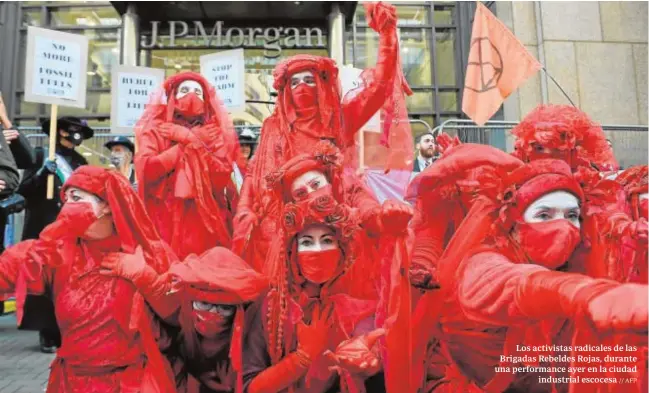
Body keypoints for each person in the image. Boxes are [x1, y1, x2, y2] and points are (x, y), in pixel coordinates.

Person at [411, 153, 647, 393]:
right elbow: (518, 285)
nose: (562, 226)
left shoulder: (577, 264)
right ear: (513, 222)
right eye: (544, 215)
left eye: (572, 216)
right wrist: (580, 294)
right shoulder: (482, 262)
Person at [233, 1, 409, 271]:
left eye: (308, 80)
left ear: (321, 85)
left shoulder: (340, 118)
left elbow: (380, 87)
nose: (301, 87)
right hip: (283, 227)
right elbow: (254, 175)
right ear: (285, 91)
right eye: (294, 82)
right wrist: (245, 210)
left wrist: (387, 36)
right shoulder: (272, 126)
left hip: (333, 224)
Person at [0, 166, 179, 392]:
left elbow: (178, 316)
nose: (66, 206)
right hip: (73, 382)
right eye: (65, 199)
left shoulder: (149, 252)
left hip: (132, 383)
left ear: (105, 204)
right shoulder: (57, 252)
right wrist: (49, 240)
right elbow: (8, 271)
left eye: (76, 198)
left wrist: (146, 277)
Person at [242, 180, 387, 393]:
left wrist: (373, 360)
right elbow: (250, 387)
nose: (318, 250)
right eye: (307, 242)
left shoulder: (355, 302)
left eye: (327, 240)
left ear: (342, 251)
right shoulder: (272, 307)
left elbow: (375, 335)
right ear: (292, 252)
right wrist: (301, 358)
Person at [135, 72, 240, 260]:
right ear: (172, 97)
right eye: (184, 90)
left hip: (205, 218)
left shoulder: (214, 133)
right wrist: (184, 146)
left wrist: (190, 139)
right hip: (162, 215)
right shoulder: (155, 129)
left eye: (198, 92)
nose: (191, 96)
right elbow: (147, 170)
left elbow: (221, 176)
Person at [17, 116, 93, 353]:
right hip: (44, 227)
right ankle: (47, 333)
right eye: (73, 130)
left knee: (67, 283)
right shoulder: (42, 156)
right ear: (60, 131)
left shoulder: (81, 162)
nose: (76, 134)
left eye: (80, 131)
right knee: (44, 280)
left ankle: (66, 329)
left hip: (71, 231)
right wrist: (41, 174)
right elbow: (23, 191)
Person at [161, 247, 269, 393]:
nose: (212, 313)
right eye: (204, 304)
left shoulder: (251, 331)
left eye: (223, 308)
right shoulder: (180, 322)